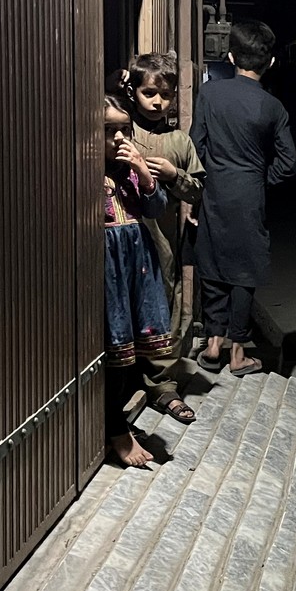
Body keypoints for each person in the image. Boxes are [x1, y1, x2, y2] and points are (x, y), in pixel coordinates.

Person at [192, 20, 296, 377]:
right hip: (250, 195)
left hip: (214, 190)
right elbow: (289, 163)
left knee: (213, 264)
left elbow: (196, 146)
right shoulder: (273, 107)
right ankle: (238, 355)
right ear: (270, 64)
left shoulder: (209, 94)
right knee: (244, 271)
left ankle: (212, 345)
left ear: (231, 55)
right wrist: (259, 178)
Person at [121, 52, 204, 423]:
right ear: (133, 92)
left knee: (165, 304)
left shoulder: (179, 142)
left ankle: (163, 387)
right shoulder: (121, 132)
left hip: (164, 241)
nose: (157, 102)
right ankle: (124, 377)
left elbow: (198, 191)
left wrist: (174, 175)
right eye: (149, 93)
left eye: (165, 95)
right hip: (125, 238)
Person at [103, 94, 174, 468]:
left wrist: (146, 176)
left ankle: (119, 422)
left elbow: (156, 208)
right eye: (107, 130)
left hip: (136, 264)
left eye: (123, 130)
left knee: (131, 348)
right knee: (113, 347)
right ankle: (116, 429)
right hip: (108, 268)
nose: (118, 138)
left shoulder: (130, 170)